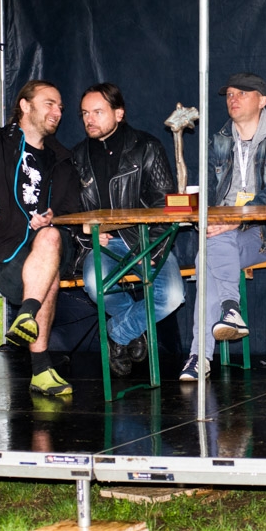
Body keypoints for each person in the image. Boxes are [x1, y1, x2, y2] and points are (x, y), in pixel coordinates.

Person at [0, 79, 80, 397]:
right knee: (48, 272)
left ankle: (25, 315)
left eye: (61, 107)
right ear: (24, 105)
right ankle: (41, 368)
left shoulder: (61, 160)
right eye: (49, 103)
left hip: (44, 248)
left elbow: (71, 212)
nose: (57, 111)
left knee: (50, 240)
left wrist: (53, 217)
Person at [180, 72, 266, 381]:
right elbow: (207, 192)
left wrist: (236, 218)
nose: (233, 99)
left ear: (262, 101)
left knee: (207, 254)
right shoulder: (217, 141)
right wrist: (212, 218)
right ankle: (229, 311)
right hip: (222, 232)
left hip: (265, 232)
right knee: (210, 249)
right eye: (230, 94)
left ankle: (200, 355)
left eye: (242, 93)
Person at [71, 82, 185, 378]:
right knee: (95, 285)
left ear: (119, 113)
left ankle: (117, 334)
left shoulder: (147, 147)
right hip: (103, 243)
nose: (89, 119)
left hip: (147, 240)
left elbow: (164, 203)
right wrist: (86, 235)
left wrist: (154, 250)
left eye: (97, 112)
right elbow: (68, 211)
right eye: (85, 113)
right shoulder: (77, 157)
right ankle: (132, 330)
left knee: (172, 297)